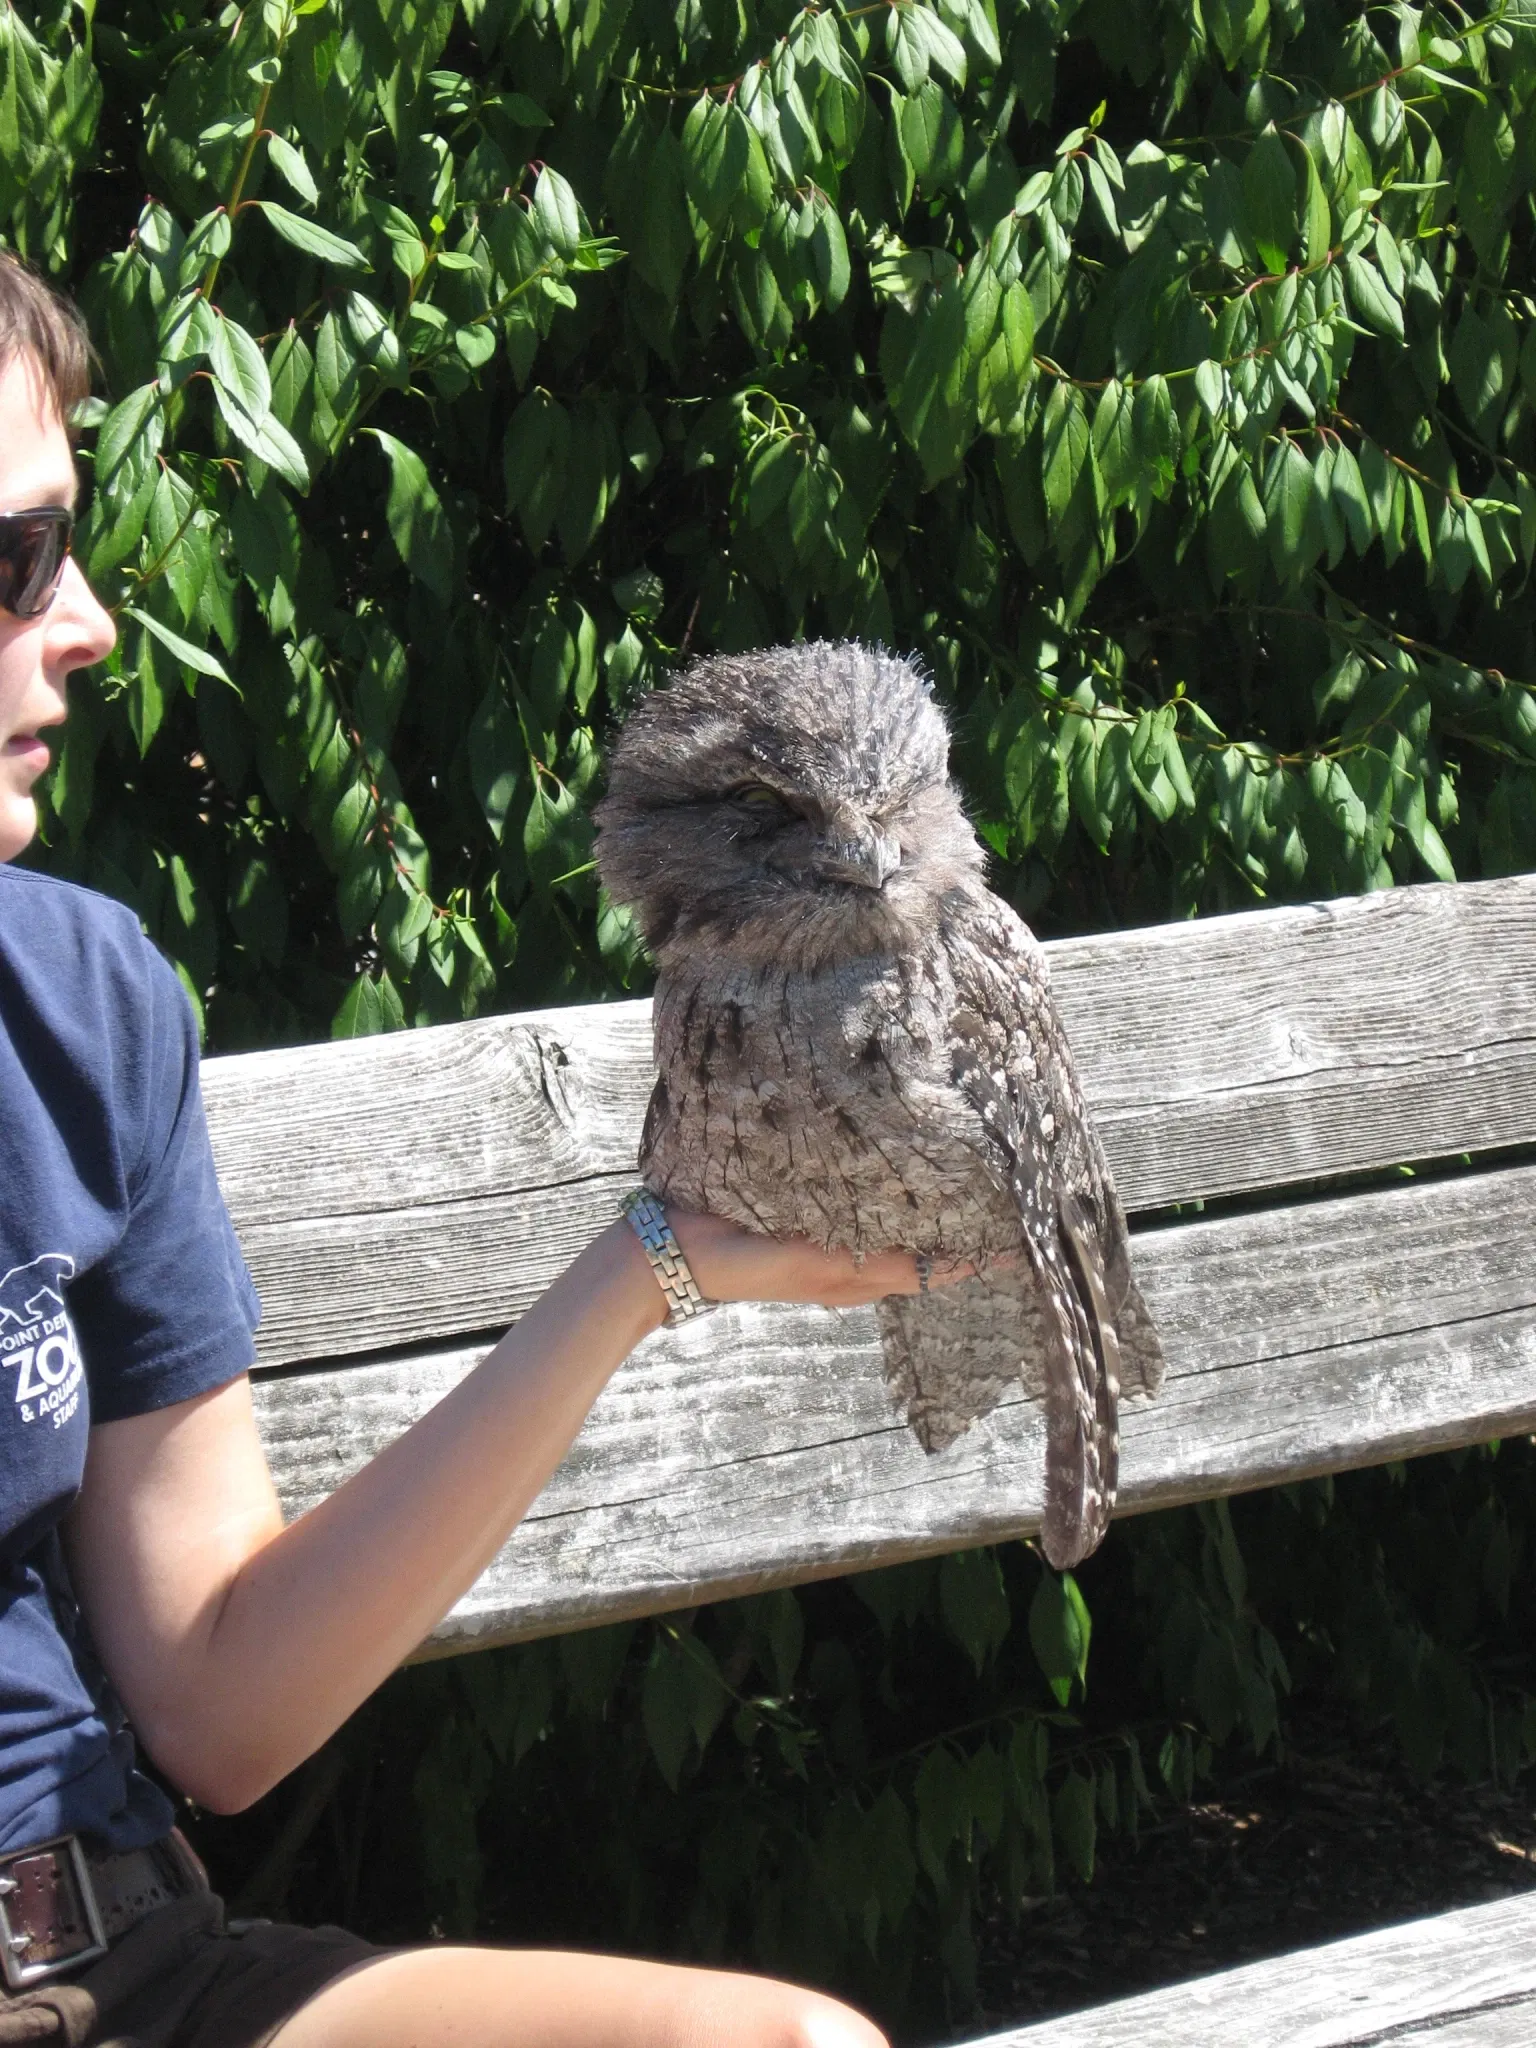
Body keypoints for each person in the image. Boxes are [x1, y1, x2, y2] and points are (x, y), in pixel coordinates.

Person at [0, 248, 962, 2048]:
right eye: (14, 561)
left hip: (122, 1973)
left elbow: (218, 1700)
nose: (90, 623)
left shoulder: (79, 1011)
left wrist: (640, 1270)